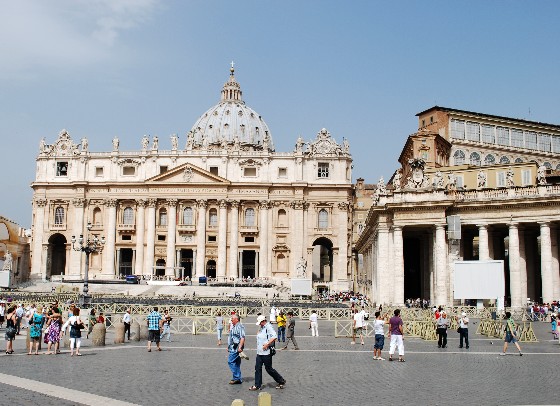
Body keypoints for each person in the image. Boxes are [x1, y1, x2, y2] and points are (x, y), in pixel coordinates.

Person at [249, 315, 286, 391]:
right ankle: (257, 385)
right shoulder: (262, 327)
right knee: (257, 368)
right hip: (259, 352)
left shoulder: (268, 326)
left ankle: (281, 380)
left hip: (266, 352)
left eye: (260, 322)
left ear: (263, 321)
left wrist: (267, 344)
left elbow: (274, 336)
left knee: (269, 369)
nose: (259, 324)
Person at [227, 313, 246, 385]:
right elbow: (232, 337)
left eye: (232, 318)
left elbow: (242, 337)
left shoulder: (240, 326)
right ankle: (238, 378)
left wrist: (240, 347)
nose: (231, 320)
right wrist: (228, 346)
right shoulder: (235, 326)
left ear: (236, 319)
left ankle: (236, 377)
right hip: (233, 347)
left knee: (230, 361)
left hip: (236, 347)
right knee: (237, 363)